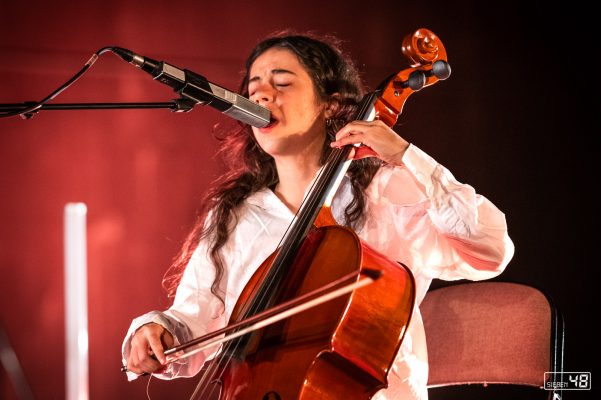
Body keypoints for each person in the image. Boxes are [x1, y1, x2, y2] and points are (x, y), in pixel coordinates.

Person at [121, 32, 514, 400]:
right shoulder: (235, 216)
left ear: (329, 103)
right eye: (253, 85)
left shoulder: (386, 191)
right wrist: (158, 333)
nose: (260, 93)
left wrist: (405, 156)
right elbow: (192, 319)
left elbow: (490, 249)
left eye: (282, 82)